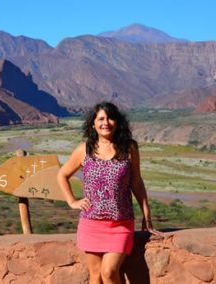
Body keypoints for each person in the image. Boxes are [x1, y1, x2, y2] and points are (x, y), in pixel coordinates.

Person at [57, 101, 162, 284]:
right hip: (91, 223)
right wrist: (72, 201)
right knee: (96, 275)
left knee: (109, 272)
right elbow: (62, 175)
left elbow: (136, 182)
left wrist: (147, 215)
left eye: (110, 118)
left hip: (120, 224)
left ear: (117, 122)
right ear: (93, 123)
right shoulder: (85, 150)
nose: (106, 123)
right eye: (101, 119)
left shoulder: (129, 148)